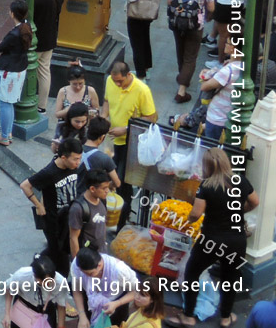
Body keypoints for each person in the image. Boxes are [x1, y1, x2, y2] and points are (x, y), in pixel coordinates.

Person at [168, 148, 260, 328]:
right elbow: (255, 201)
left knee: (192, 273)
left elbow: (196, 213)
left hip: (211, 240)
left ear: (207, 166)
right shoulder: (240, 181)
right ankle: (226, 317)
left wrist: (188, 219)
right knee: (230, 277)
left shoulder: (207, 185)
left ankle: (188, 316)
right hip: (236, 240)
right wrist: (238, 212)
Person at [100, 62, 156, 230]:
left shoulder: (142, 90)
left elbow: (151, 117)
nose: (117, 84)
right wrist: (103, 117)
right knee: (105, 178)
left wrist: (125, 129)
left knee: (123, 182)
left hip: (129, 143)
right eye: (115, 81)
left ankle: (121, 223)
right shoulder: (110, 80)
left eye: (120, 82)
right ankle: (106, 217)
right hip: (111, 140)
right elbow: (107, 101)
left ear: (128, 75)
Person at [21, 137, 83, 277]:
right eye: (75, 159)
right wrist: (38, 205)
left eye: (79, 159)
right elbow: (25, 186)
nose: (78, 163)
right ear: (63, 157)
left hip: (68, 217)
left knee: (58, 250)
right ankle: (45, 275)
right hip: (53, 221)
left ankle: (38, 265)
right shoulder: (50, 172)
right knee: (59, 253)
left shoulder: (72, 167)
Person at [167, 0, 215, 103]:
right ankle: (182, 90)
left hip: (177, 22)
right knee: (191, 55)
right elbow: (211, 7)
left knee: (180, 50)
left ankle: (183, 75)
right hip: (196, 24)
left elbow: (169, 2)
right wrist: (205, 17)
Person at [0, 0, 31, 145]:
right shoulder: (26, 27)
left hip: (9, 72)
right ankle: (7, 132)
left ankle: (4, 136)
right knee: (10, 102)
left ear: (12, 13)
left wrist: (1, 42)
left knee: (4, 103)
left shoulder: (14, 34)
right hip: (20, 69)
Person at [71, 249, 139, 328]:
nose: (87, 276)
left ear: (99, 265)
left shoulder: (120, 270)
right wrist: (82, 315)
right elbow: (77, 290)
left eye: (90, 274)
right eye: (84, 273)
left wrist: (117, 303)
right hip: (91, 303)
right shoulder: (77, 265)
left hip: (115, 306)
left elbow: (136, 290)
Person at [4, 255, 70, 328]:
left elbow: (61, 306)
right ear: (36, 277)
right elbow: (9, 290)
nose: (49, 284)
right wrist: (7, 314)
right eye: (45, 283)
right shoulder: (22, 275)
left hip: (45, 309)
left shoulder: (60, 282)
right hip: (22, 307)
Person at [69, 168, 112, 260]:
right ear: (92, 189)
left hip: (102, 253)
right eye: (104, 188)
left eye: (108, 187)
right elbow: (73, 238)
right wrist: (77, 264)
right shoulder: (78, 208)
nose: (107, 191)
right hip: (88, 258)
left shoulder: (102, 200)